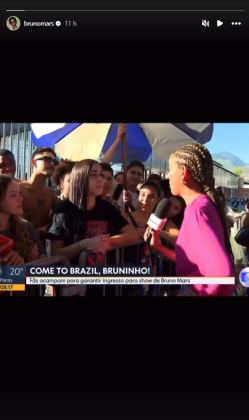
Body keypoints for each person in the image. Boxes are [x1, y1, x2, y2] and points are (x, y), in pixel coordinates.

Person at [145, 143, 235, 297]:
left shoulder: (197, 210)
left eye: (170, 170)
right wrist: (158, 247)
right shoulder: (202, 206)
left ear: (183, 173)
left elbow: (222, 272)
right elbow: (195, 264)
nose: (168, 176)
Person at [47, 159, 145, 296]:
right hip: (73, 285)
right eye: (93, 175)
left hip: (104, 284)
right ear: (79, 178)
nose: (101, 180)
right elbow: (56, 252)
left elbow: (133, 233)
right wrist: (82, 245)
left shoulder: (107, 208)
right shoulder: (63, 209)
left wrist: (107, 242)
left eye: (101, 175)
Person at [0, 175, 47, 296]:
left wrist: (29, 266)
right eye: (13, 195)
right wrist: (17, 272)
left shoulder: (26, 227)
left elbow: (43, 266)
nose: (20, 199)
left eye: (19, 193)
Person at [19, 148, 60, 243]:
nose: (52, 164)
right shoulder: (18, 190)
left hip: (42, 247)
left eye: (55, 161)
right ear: (34, 163)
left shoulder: (51, 194)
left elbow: (62, 216)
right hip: (19, 246)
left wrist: (48, 226)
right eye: (47, 160)